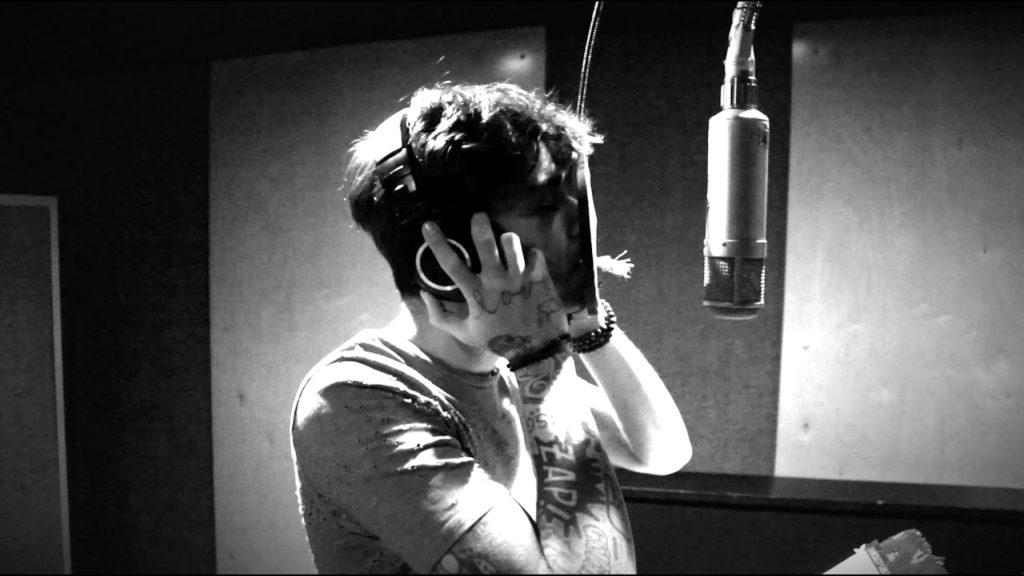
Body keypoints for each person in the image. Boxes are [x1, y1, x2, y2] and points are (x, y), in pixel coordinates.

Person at [290, 82, 691, 574]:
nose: (582, 223)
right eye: (545, 206)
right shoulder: (358, 399)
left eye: (577, 198)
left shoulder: (504, 369)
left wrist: (583, 315)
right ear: (452, 253)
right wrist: (539, 353)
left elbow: (661, 453)